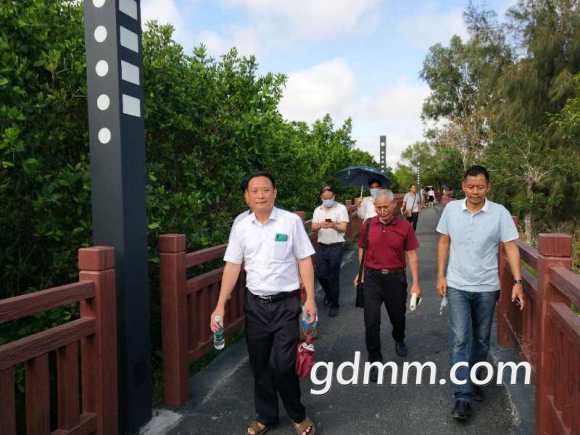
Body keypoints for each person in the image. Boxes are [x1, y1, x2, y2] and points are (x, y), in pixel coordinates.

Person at [210, 171, 317, 435]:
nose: (261, 195)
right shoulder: (241, 226)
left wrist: (310, 299)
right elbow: (233, 265)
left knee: (282, 364)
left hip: (286, 304)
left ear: (275, 193)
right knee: (259, 365)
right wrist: (220, 305)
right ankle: (266, 416)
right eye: (255, 191)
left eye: (266, 190)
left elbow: (304, 259)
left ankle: (297, 414)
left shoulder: (290, 222)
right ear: (246, 196)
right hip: (255, 305)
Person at [436, 165, 525, 421]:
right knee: (461, 338)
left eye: (481, 187)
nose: (475, 191)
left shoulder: (499, 213)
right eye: (471, 186)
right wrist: (441, 275)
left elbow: (511, 247)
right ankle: (462, 396)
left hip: (487, 286)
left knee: (482, 340)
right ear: (463, 187)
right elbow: (444, 241)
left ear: (488, 187)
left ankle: (474, 379)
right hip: (457, 285)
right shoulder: (452, 209)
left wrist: (518, 281)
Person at [354, 190, 421, 382]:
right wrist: (361, 273)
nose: (382, 211)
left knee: (398, 317)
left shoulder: (405, 226)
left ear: (394, 205)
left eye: (385, 207)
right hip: (372, 279)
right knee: (371, 321)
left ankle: (399, 338)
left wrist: (416, 283)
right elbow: (362, 249)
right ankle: (374, 359)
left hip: (395, 279)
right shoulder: (368, 225)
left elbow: (412, 255)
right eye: (378, 207)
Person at [311, 185, 350, 317]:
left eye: (330, 197)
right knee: (321, 274)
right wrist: (320, 225)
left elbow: (344, 228)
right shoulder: (318, 210)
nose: (327, 200)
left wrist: (334, 225)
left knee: (333, 276)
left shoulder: (341, 208)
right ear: (321, 197)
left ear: (334, 196)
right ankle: (328, 294)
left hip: (336, 246)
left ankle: (334, 304)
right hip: (321, 245)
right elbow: (313, 228)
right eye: (325, 198)